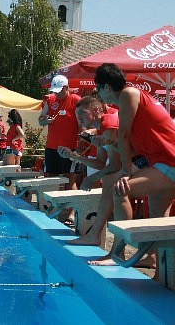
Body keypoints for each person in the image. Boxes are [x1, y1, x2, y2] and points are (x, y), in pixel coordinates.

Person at [90, 63, 175, 267]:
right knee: (158, 215)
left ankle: (117, 254)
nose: (98, 94)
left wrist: (126, 172)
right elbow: (130, 147)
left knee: (120, 190)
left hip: (172, 162)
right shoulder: (132, 99)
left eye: (98, 89)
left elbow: (124, 135)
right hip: (170, 161)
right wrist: (109, 144)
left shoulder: (128, 94)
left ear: (107, 87)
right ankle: (153, 258)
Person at [56, 95, 123, 246]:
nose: (79, 118)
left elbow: (115, 165)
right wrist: (74, 156)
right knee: (112, 188)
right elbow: (100, 163)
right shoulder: (101, 129)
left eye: (82, 113)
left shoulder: (109, 122)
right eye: (77, 114)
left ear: (96, 110)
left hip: (148, 162)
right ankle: (103, 241)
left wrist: (90, 178)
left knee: (114, 188)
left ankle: (109, 244)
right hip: (139, 163)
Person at [38, 75, 81, 225]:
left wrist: (79, 147)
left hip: (70, 148)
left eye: (59, 91)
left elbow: (82, 124)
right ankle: (52, 210)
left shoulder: (75, 100)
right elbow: (40, 120)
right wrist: (45, 120)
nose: (56, 94)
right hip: (51, 147)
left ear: (66, 88)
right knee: (50, 179)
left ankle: (71, 214)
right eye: (54, 91)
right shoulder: (50, 100)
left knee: (70, 179)